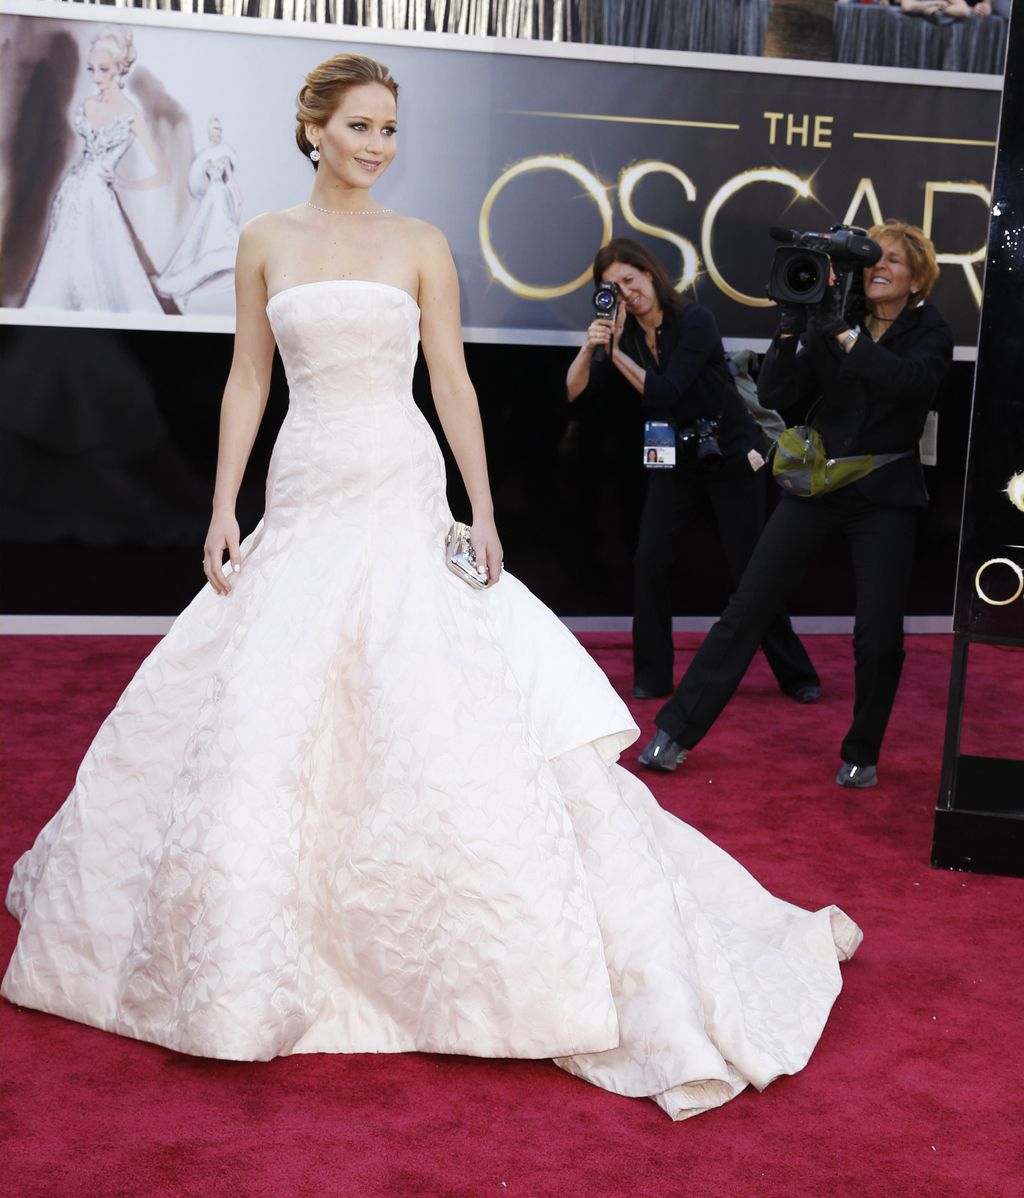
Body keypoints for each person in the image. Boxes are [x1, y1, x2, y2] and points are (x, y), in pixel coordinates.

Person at [2, 54, 861, 1122]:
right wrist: (222, 506)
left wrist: (484, 509)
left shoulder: (420, 245)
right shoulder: (265, 237)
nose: (378, 145)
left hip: (401, 482)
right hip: (307, 481)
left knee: (432, 690)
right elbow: (249, 379)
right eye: (360, 125)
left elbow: (449, 378)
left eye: (391, 129)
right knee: (271, 696)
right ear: (313, 127)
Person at [639, 220, 952, 788]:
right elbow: (780, 396)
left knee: (878, 632)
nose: (878, 269)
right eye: (872, 260)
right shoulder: (838, 313)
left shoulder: (930, 331)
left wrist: (842, 335)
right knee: (747, 606)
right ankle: (674, 732)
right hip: (817, 486)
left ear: (917, 279)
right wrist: (790, 330)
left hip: (885, 495)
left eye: (893, 262)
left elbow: (907, 383)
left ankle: (862, 751)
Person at [565, 238, 820, 706]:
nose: (626, 291)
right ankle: (653, 676)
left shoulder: (696, 320)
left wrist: (617, 353)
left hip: (728, 452)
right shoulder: (629, 336)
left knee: (751, 572)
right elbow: (576, 393)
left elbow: (666, 391)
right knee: (649, 562)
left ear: (649, 274)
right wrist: (594, 346)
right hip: (673, 459)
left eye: (629, 279)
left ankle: (796, 672)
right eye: (612, 287)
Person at [24, 25, 170, 313]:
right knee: (61, 264)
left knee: (100, 269)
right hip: (70, 194)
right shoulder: (87, 104)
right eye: (92, 69)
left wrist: (124, 182)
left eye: (103, 69)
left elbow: (163, 171)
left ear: (119, 68)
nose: (97, 77)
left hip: (98, 201)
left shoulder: (130, 114)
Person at [154, 117, 242, 308]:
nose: (215, 135)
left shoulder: (225, 154)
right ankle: (206, 263)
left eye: (218, 131)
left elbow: (231, 179)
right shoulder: (204, 157)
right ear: (210, 134)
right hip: (211, 196)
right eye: (213, 132)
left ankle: (224, 260)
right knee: (206, 228)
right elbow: (202, 182)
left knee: (223, 226)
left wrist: (237, 196)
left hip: (221, 194)